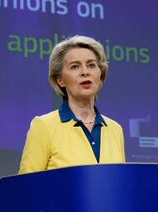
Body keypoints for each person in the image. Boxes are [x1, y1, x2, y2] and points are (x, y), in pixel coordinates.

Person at [18, 35, 125, 174]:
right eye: (75, 67)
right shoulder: (44, 126)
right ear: (60, 80)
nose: (85, 72)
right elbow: (26, 188)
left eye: (91, 65)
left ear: (100, 75)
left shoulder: (115, 129)